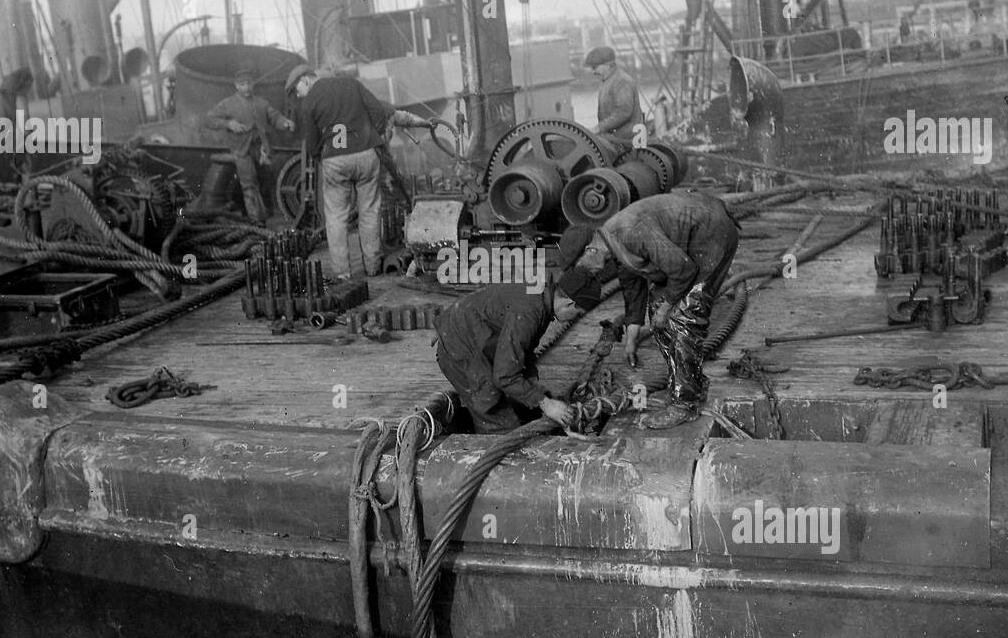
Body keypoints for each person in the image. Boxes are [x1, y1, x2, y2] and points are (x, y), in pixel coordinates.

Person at [561, 192, 739, 429]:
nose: (588, 274)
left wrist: (666, 308)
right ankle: (685, 386)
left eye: (582, 267)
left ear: (590, 251)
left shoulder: (630, 233)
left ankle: (685, 404)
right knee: (659, 314)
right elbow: (633, 286)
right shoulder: (613, 242)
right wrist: (632, 336)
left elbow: (682, 269)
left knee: (684, 316)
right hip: (689, 245)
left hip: (710, 235)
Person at [285, 63, 432, 279]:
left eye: (297, 90)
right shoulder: (351, 84)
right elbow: (376, 110)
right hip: (366, 155)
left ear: (305, 80)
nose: (299, 96)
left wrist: (321, 157)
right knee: (370, 211)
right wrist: (378, 136)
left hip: (335, 161)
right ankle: (372, 267)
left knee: (336, 217)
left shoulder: (310, 101)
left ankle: (343, 273)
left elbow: (312, 141)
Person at [433, 273, 597, 433]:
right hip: (459, 350)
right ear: (569, 303)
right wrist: (546, 404)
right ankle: (489, 451)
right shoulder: (529, 311)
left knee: (521, 402)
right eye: (579, 313)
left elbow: (523, 351)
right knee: (496, 416)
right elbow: (504, 377)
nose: (575, 318)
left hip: (471, 333)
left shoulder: (543, 294)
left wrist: (538, 392)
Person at [203, 66, 297, 223]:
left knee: (266, 182)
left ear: (253, 84)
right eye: (242, 84)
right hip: (241, 150)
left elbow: (274, 117)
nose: (246, 87)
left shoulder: (261, 102)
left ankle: (270, 217)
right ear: (236, 86)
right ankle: (256, 220)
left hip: (262, 149)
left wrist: (285, 122)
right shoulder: (228, 104)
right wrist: (228, 123)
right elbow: (208, 119)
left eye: (248, 83)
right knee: (249, 184)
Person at [583, 45, 642, 142]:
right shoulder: (607, 81)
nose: (593, 71)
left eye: (595, 67)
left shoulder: (621, 81)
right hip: (616, 138)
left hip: (627, 140)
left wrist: (599, 128)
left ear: (608, 65)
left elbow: (623, 112)